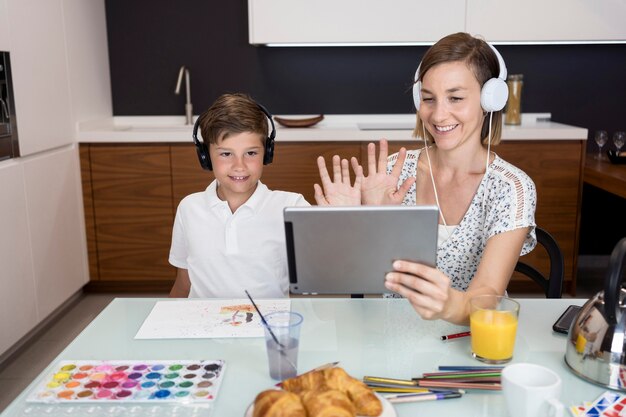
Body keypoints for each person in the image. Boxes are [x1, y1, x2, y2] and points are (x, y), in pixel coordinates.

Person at [314, 32, 537, 325]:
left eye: (455, 98)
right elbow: (360, 280)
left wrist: (446, 305)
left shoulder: (512, 188)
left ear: (489, 99)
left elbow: (488, 295)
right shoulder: (392, 173)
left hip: (469, 338)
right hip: (393, 332)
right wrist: (354, 231)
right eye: (428, 99)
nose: (439, 115)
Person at [169, 93, 309, 298]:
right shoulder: (189, 208)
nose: (239, 166)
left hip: (267, 326)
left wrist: (338, 217)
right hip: (203, 326)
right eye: (226, 154)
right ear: (205, 156)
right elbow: (183, 283)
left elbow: (327, 275)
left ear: (267, 153)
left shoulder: (291, 207)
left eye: (251, 153)